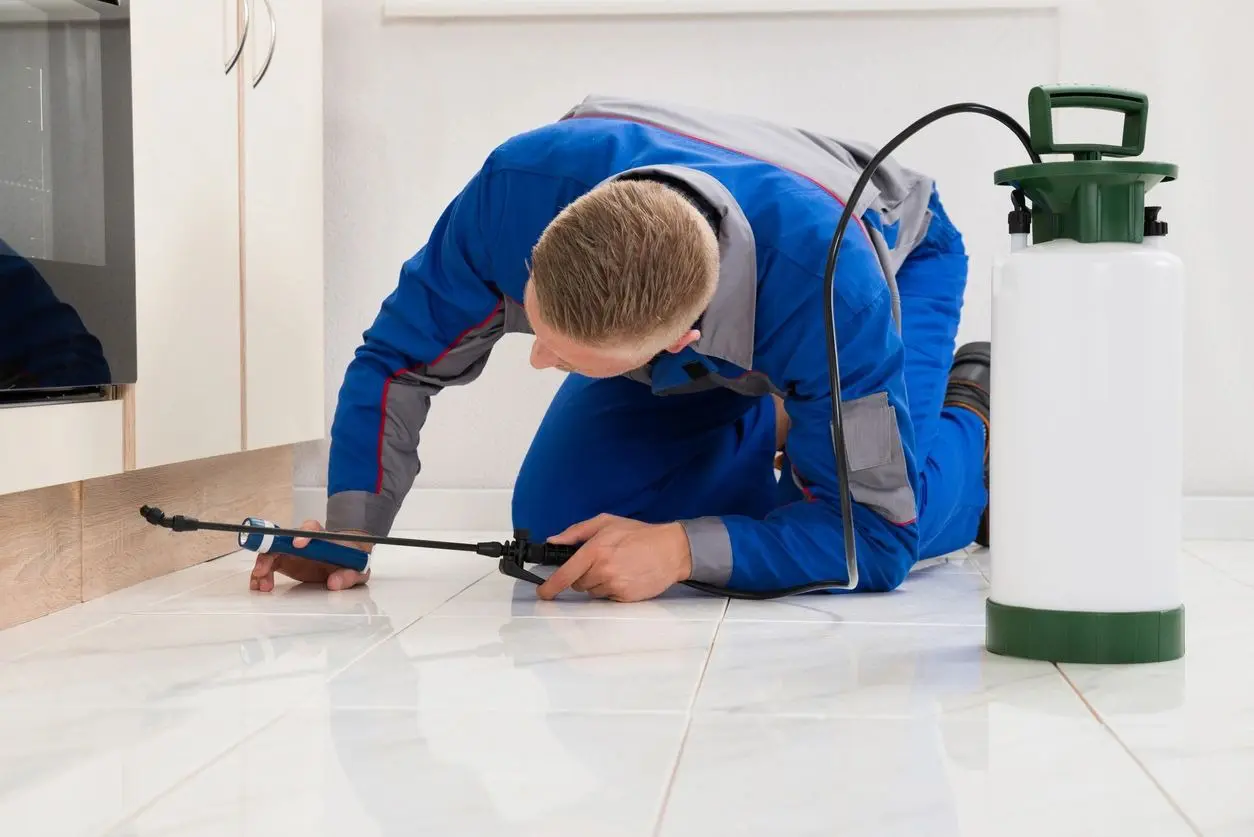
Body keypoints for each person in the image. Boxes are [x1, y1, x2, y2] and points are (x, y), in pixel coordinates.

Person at [249, 95, 991, 601]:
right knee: (556, 526)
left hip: (896, 256)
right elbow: (395, 362)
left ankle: (978, 415)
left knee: (895, 510)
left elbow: (873, 540)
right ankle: (794, 425)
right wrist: (350, 529)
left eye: (566, 358)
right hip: (745, 301)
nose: (539, 359)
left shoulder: (838, 301)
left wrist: (680, 551)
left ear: (678, 344)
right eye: (538, 327)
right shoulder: (513, 196)